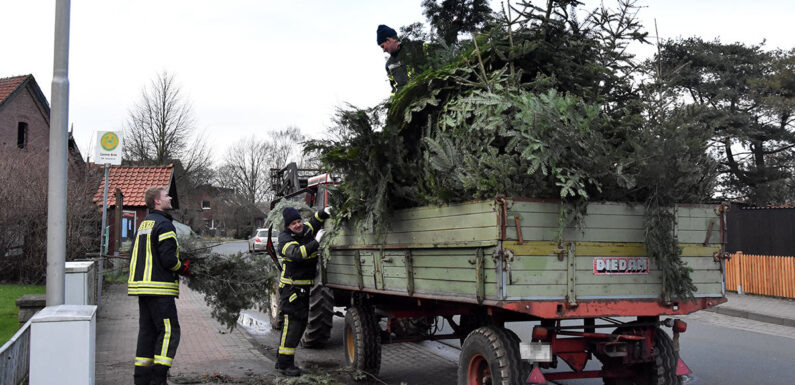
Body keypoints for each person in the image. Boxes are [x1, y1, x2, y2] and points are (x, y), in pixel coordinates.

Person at [129, 186, 192, 385]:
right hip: (159, 288)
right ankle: (158, 379)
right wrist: (183, 268)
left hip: (143, 289)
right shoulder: (164, 225)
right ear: (157, 201)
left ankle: (141, 380)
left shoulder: (144, 224)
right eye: (166, 195)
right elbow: (168, 259)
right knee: (169, 331)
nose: (170, 197)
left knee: (147, 333)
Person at [275, 206, 331, 376]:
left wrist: (323, 213)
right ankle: (285, 365)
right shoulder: (284, 240)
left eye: (299, 221)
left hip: (302, 289)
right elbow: (298, 253)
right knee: (292, 326)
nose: (298, 225)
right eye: (294, 223)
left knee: (298, 326)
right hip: (291, 291)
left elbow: (313, 223)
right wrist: (317, 242)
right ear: (287, 226)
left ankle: (282, 361)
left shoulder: (304, 231)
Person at [377, 24, 426, 94]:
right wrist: (391, 103)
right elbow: (395, 88)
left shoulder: (418, 47)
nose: (383, 50)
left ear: (388, 40)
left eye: (382, 46)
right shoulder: (388, 65)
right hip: (410, 100)